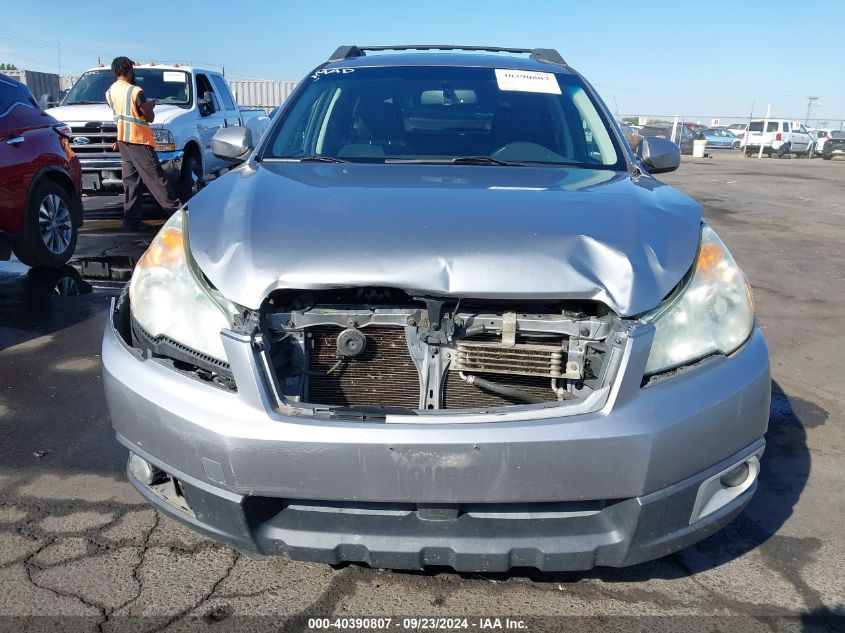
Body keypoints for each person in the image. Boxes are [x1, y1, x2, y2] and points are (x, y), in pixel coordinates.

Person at [105, 57, 180, 230]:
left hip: (123, 141)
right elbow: (149, 116)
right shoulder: (135, 91)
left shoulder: (110, 92)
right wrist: (150, 106)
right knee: (157, 179)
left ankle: (131, 221)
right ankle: (179, 215)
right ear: (129, 70)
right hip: (139, 141)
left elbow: (121, 113)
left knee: (131, 182)